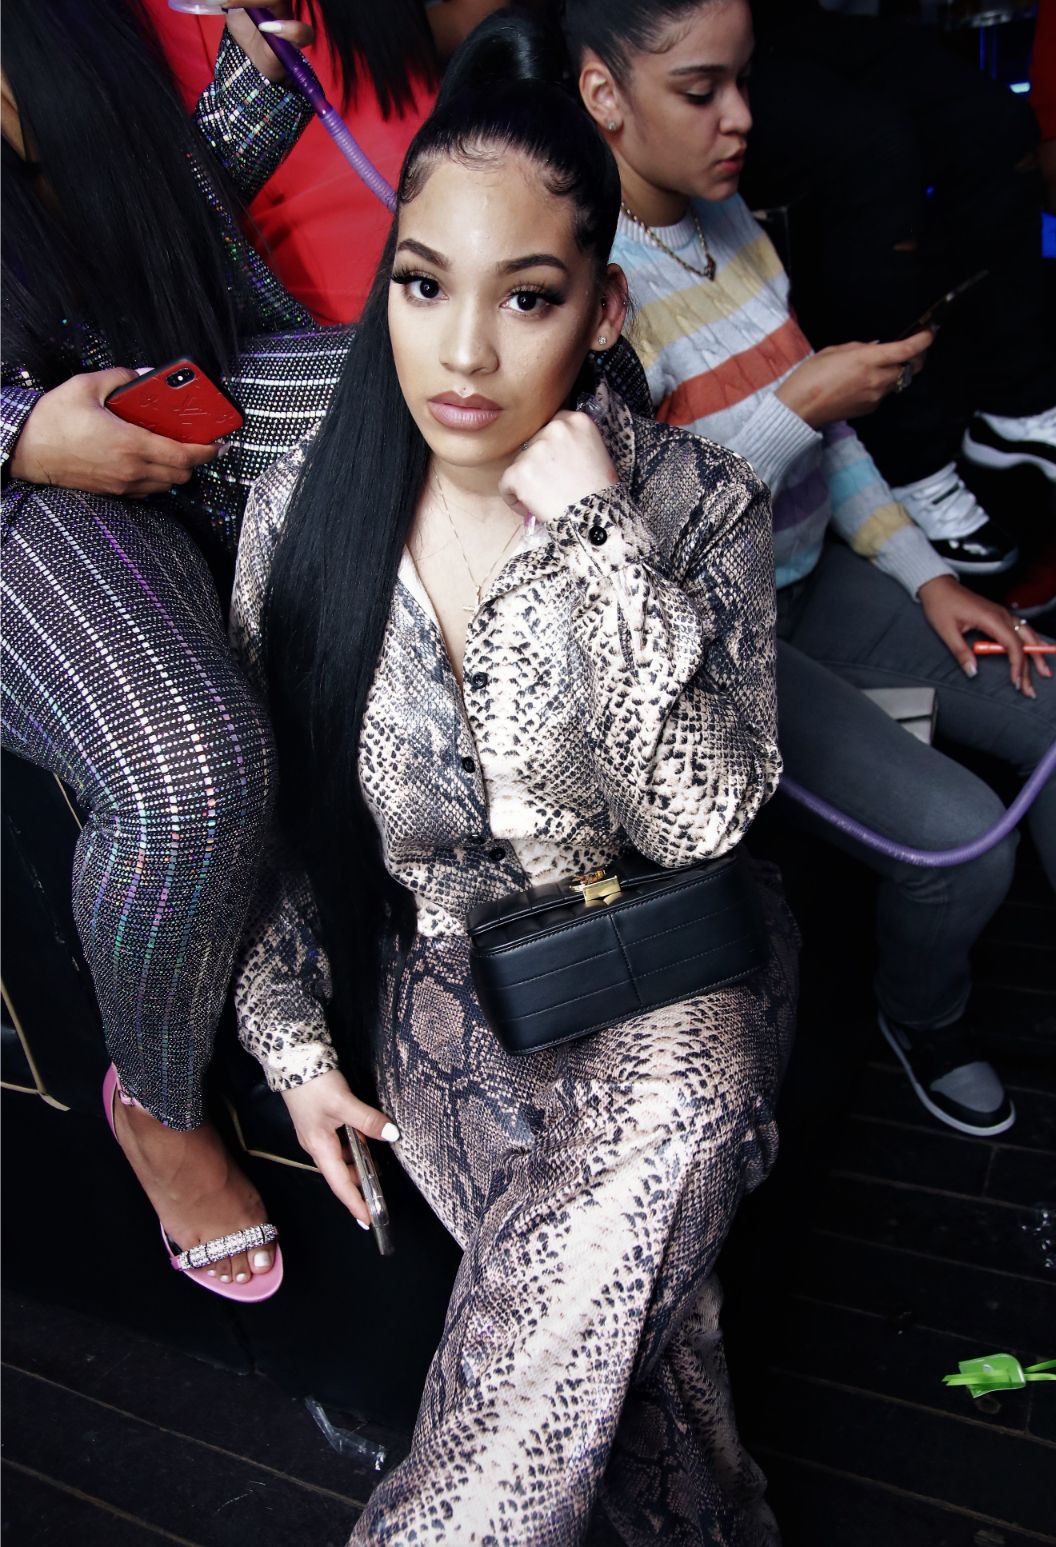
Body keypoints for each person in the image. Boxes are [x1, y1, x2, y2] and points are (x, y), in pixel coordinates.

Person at [229, 14, 799, 1539]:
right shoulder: (303, 514)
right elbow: (273, 818)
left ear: (602, 309)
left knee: (668, 1116)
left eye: (528, 297)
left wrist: (599, 540)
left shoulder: (696, 503)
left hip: (673, 959)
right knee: (635, 1333)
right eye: (423, 285)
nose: (465, 352)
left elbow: (702, 817)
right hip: (452, 976)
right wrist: (293, 1043)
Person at [560, 0, 1056, 1138]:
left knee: (1050, 702)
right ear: (603, 96)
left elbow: (830, 451)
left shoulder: (729, 217)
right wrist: (797, 400)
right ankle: (925, 1016)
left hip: (819, 579)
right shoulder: (584, 285)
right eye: (701, 91)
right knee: (962, 841)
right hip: (721, 641)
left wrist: (929, 577)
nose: (740, 118)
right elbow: (644, 531)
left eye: (745, 80)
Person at [1, 0, 346, 1295]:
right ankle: (157, 1098)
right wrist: (19, 434)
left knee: (488, 400)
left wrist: (250, 81)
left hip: (153, 376)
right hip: (18, 480)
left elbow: (108, 216)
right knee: (192, 768)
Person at [735, 0, 1056, 572]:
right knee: (873, 146)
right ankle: (910, 462)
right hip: (667, 33)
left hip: (776, 18)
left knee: (993, 120)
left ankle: (1016, 410)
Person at [146, 0, 511, 322]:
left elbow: (476, 13)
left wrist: (397, 40)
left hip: (454, 211)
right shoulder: (141, 28)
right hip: (327, 295)